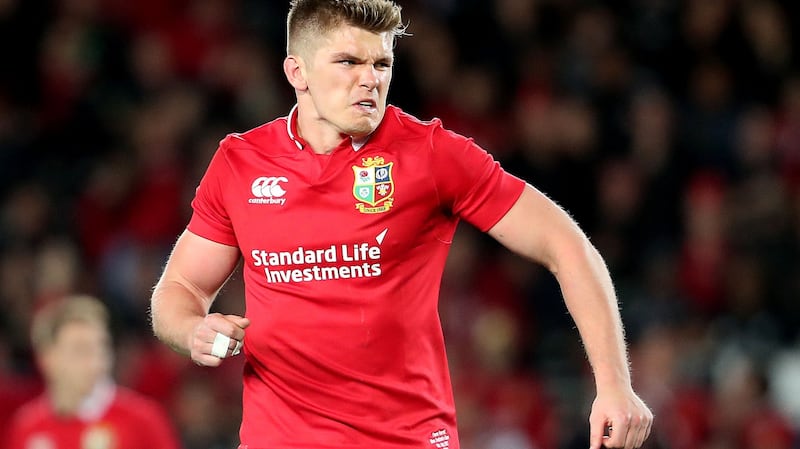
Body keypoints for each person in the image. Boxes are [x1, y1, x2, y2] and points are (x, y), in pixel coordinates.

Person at [149, 1, 654, 448]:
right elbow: (181, 288)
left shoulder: (432, 155)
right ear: (296, 72)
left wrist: (614, 385)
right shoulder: (241, 163)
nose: (370, 78)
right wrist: (192, 329)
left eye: (382, 63)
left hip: (406, 438)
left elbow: (567, 245)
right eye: (348, 62)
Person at [6, 295, 183, 449]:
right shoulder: (27, 426)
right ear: (47, 359)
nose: (96, 361)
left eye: (101, 347)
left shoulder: (143, 419)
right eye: (81, 349)